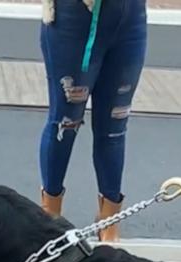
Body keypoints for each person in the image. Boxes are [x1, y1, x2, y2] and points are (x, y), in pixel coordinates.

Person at [37, 0, 148, 243]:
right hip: (74, 19)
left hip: (130, 18)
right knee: (65, 123)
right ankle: (49, 217)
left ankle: (109, 221)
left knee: (114, 127)